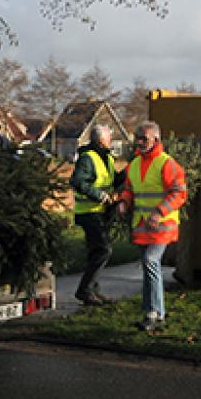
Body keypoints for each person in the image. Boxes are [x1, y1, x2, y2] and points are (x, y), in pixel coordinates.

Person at [116, 121, 187, 332]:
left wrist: (159, 211)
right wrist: (123, 202)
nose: (139, 141)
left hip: (162, 225)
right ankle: (151, 312)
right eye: (137, 137)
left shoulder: (167, 164)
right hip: (142, 226)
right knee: (148, 267)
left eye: (143, 138)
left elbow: (179, 193)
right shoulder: (135, 164)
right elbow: (129, 189)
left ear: (156, 139)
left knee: (150, 261)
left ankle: (155, 312)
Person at [70, 124, 125, 306]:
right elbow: (78, 182)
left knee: (96, 252)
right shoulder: (88, 158)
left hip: (101, 212)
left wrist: (129, 170)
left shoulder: (106, 158)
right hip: (89, 212)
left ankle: (92, 291)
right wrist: (100, 196)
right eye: (110, 136)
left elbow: (113, 180)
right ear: (101, 139)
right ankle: (84, 290)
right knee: (103, 250)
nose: (111, 139)